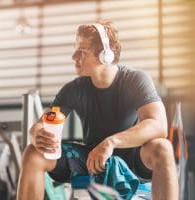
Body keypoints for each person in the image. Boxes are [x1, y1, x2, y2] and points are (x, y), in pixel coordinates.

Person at [17, 19, 178, 200]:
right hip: (90, 159)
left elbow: (159, 125)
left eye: (82, 51)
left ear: (105, 55)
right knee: (32, 154)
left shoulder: (135, 80)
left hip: (132, 157)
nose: (74, 57)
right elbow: (43, 123)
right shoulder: (73, 89)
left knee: (163, 148)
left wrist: (110, 142)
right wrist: (36, 134)